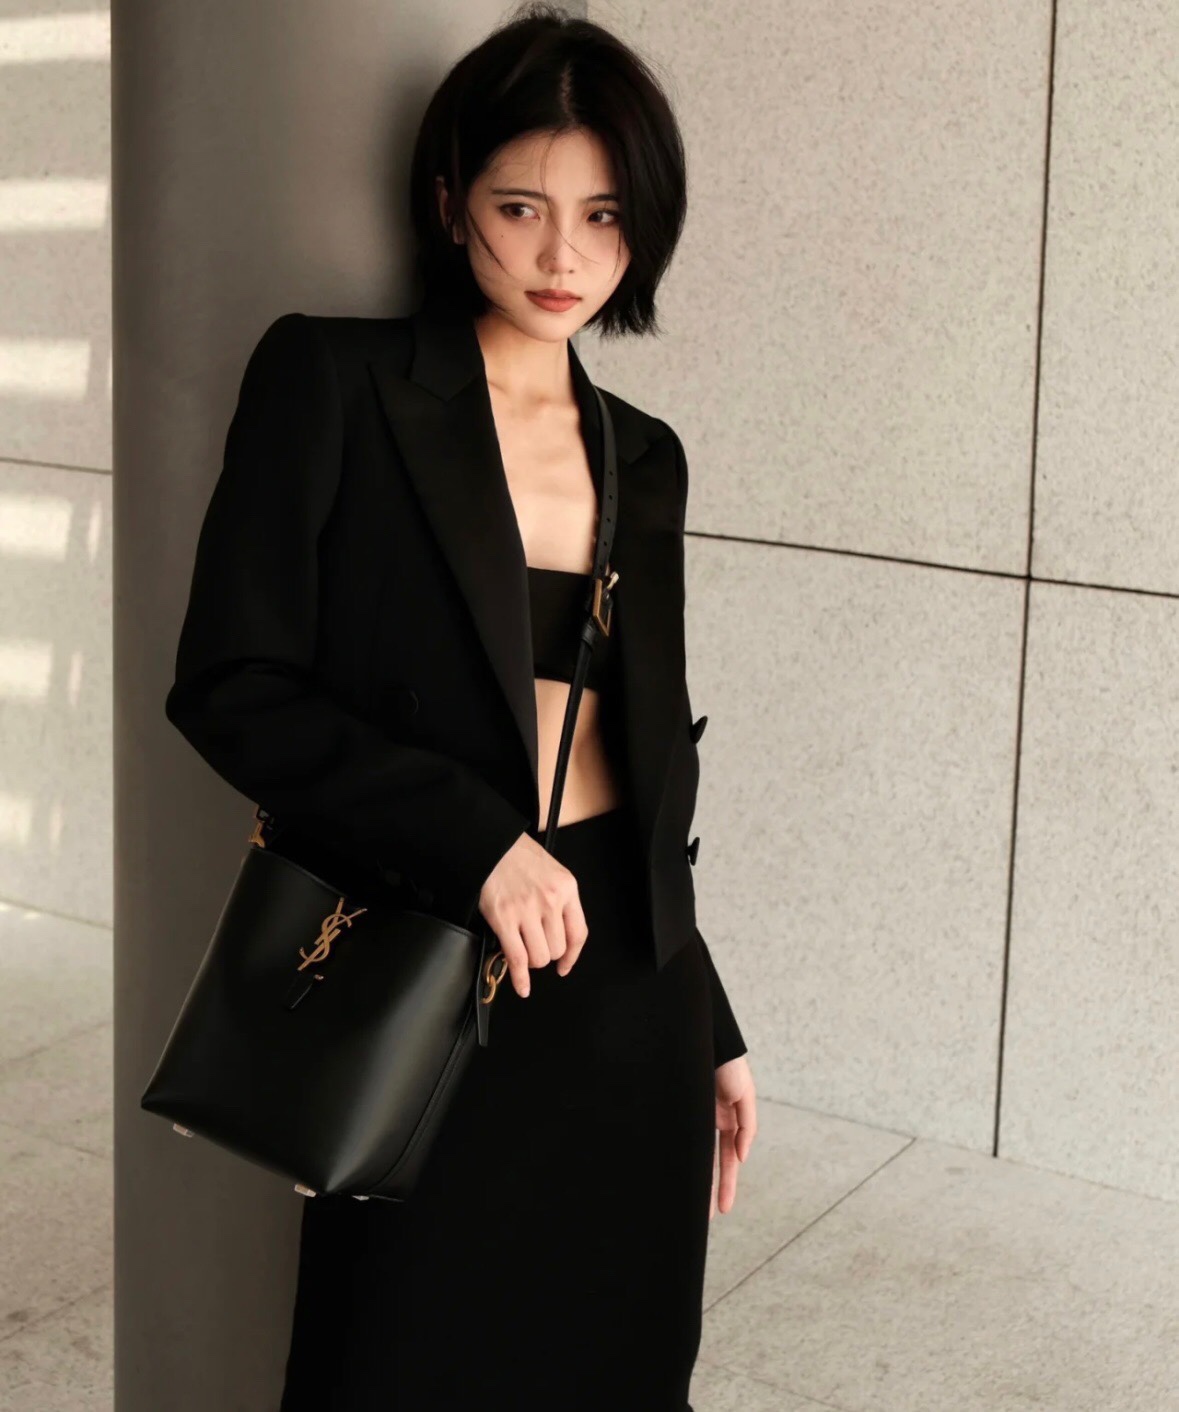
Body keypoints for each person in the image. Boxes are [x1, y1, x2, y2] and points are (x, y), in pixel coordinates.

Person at [163, 4, 757, 1407]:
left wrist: (710, 1013)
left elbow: (637, 751)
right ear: (449, 205)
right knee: (396, 1363)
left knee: (620, 1368)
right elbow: (232, 687)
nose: (564, 258)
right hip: (433, 960)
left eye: (604, 216)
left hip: (629, 989)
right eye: (521, 207)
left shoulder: (646, 457)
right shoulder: (335, 383)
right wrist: (478, 841)